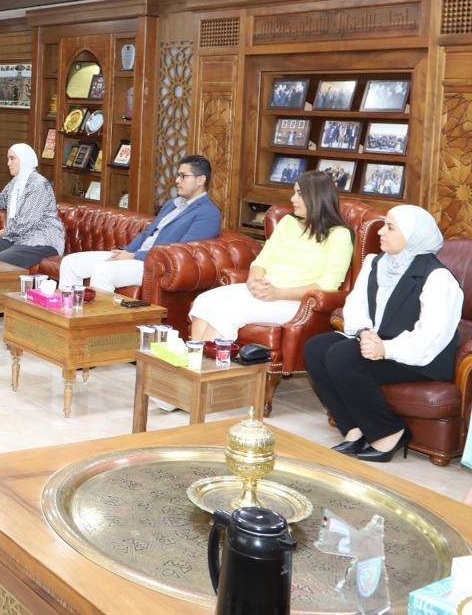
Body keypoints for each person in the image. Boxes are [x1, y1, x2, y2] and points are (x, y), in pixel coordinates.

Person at [306, 205, 461, 462]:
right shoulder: (376, 263)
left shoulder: (438, 278)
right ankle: (353, 429)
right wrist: (364, 332)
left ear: (412, 237)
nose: (381, 232)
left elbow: (431, 337)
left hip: (421, 357)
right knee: (316, 347)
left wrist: (385, 349)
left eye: (390, 227)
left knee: (342, 356)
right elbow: (356, 304)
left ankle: (389, 432)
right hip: (378, 340)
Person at [189, 170, 353, 342]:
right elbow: (262, 260)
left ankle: (205, 358)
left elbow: (328, 286)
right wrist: (254, 282)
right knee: (205, 300)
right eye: (294, 192)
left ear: (316, 197)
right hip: (265, 292)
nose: (293, 199)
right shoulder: (288, 222)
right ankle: (195, 356)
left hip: (295, 302)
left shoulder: (339, 235)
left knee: (228, 312)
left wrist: (278, 293)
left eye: (299, 193)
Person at [59, 155, 220, 292]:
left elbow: (182, 251)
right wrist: (127, 252)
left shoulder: (208, 213)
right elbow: (147, 233)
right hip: (135, 257)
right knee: (71, 263)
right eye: (178, 175)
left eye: (183, 176)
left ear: (200, 180)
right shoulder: (173, 203)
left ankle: (98, 320)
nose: (177, 180)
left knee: (103, 271)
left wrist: (134, 256)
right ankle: (67, 314)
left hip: (156, 265)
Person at [0, 143, 64, 268]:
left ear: (24, 159)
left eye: (12, 158)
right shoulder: (16, 182)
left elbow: (21, 226)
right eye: (8, 159)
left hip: (41, 242)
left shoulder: (38, 184)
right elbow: (0, 199)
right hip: (18, 240)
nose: (8, 163)